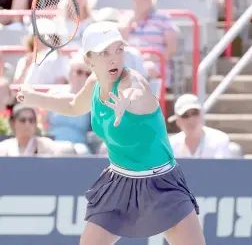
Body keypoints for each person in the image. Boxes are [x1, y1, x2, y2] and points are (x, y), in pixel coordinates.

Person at [16, 21, 205, 245]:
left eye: (119, 49)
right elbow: (74, 105)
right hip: (119, 182)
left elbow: (134, 91)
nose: (114, 58)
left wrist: (127, 102)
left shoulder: (133, 82)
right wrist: (35, 97)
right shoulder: (94, 83)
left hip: (161, 184)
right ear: (88, 60)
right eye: (104, 52)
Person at [168, 93, 231, 159]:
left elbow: (220, 168)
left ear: (201, 116)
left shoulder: (219, 140)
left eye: (195, 113)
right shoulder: (171, 144)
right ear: (178, 121)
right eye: (185, 115)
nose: (191, 119)